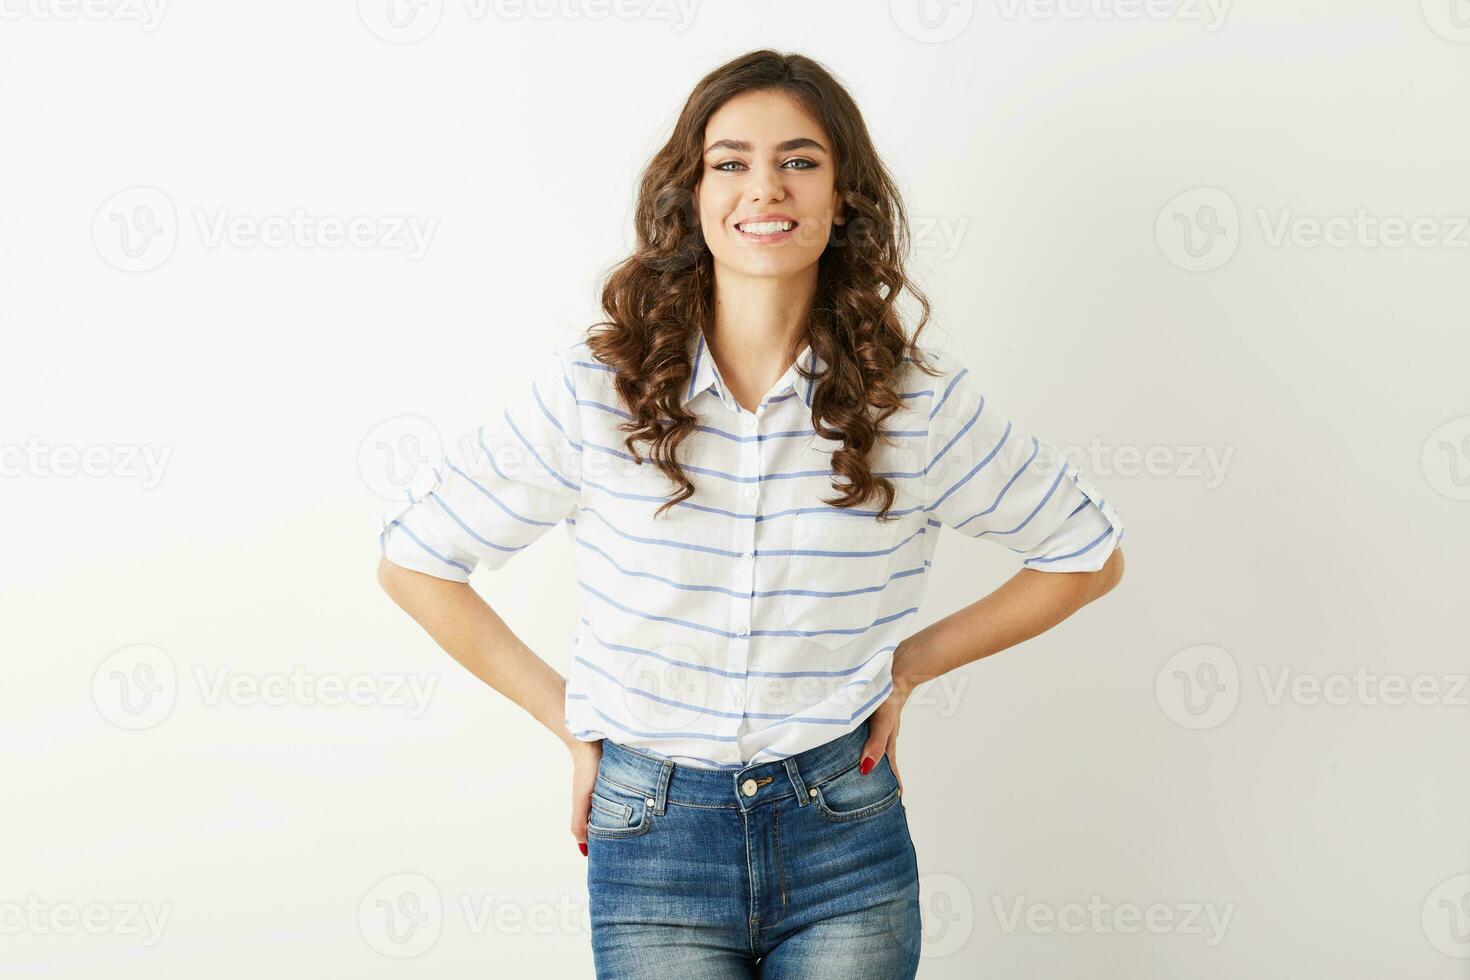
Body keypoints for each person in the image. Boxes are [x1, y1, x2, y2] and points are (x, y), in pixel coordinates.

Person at [377, 48, 1125, 979]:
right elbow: (415, 561)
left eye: (800, 160)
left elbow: (1086, 554)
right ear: (690, 195)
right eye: (730, 162)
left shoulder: (914, 404)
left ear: (843, 194)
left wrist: (907, 668)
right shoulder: (596, 392)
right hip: (651, 836)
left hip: (843, 836)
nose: (764, 187)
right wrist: (571, 722)